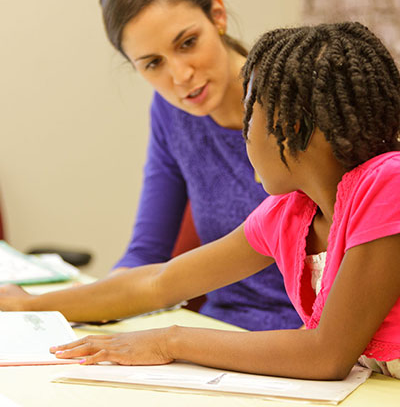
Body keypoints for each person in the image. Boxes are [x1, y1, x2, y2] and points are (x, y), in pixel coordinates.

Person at [50, 22, 400, 380]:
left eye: (250, 117)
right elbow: (160, 281)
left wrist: (170, 341)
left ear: (288, 125)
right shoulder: (289, 215)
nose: (243, 136)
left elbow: (326, 355)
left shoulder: (388, 182)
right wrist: (26, 306)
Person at [0, 0, 301, 331]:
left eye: (188, 42)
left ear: (218, 16)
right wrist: (81, 303)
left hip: (310, 342)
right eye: (153, 63)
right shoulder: (172, 112)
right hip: (223, 332)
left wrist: (43, 304)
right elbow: (146, 255)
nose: (180, 75)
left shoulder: (294, 100)